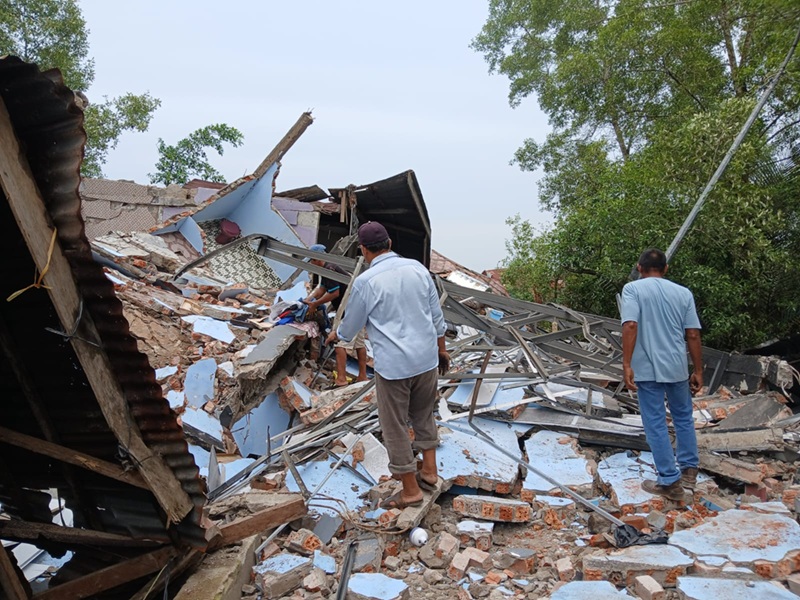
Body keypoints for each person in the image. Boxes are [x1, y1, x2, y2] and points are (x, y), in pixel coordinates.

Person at [326, 222, 450, 509]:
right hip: (426, 359)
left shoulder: (366, 282)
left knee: (394, 425)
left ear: (364, 250)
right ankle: (429, 472)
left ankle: (410, 491)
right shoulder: (418, 269)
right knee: (423, 414)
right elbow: (437, 317)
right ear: (390, 242)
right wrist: (441, 351)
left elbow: (351, 325)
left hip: (394, 367)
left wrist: (339, 334)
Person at [621, 248, 703, 501]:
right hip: (677, 366)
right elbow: (692, 333)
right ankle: (689, 471)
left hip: (647, 368)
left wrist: (626, 364)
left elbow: (631, 325)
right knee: (683, 417)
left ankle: (669, 480)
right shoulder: (683, 293)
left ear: (639, 267)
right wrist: (698, 369)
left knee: (655, 422)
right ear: (665, 269)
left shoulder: (632, 290)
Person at [303, 243, 368, 386]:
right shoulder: (327, 269)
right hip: (359, 309)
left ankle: (341, 379)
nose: (312, 263)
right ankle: (362, 376)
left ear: (317, 259)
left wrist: (315, 303)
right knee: (359, 343)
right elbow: (322, 288)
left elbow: (334, 293)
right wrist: (309, 300)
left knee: (340, 344)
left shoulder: (330, 268)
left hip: (349, 312)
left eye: (312, 260)